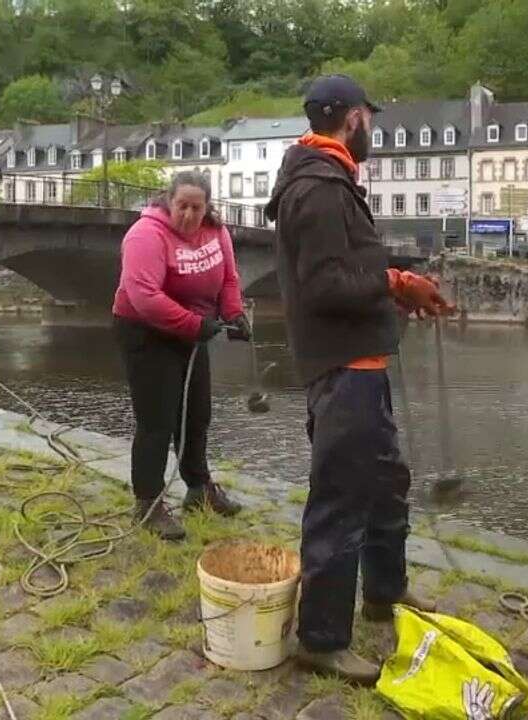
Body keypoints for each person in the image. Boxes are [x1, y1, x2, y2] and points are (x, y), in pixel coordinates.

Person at [265, 75, 455, 683]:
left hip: (360, 364)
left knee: (384, 482)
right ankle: (321, 639)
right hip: (342, 367)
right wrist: (395, 283)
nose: (372, 128)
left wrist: (393, 282)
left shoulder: (332, 179)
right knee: (340, 498)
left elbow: (349, 269)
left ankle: (384, 592)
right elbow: (327, 288)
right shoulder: (319, 190)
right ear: (352, 119)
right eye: (370, 118)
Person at [112, 170, 251, 541]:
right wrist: (193, 324)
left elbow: (229, 279)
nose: (188, 215)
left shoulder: (216, 231)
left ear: (207, 207)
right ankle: (148, 503)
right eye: (182, 206)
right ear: (168, 202)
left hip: (190, 328)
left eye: (196, 207)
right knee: (157, 420)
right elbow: (144, 296)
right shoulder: (146, 234)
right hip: (146, 330)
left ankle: (198, 487)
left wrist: (234, 313)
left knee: (196, 413)